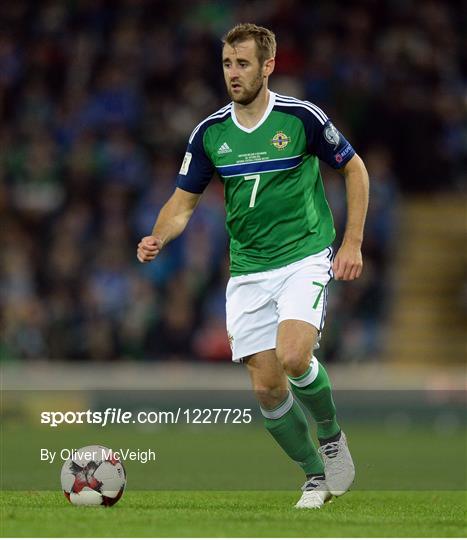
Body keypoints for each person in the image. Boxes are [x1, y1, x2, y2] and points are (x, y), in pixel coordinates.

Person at [137, 23, 369, 509]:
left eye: (243, 63)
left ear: (268, 66)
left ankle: (330, 437)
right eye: (227, 64)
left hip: (304, 255)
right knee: (267, 389)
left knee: (293, 357)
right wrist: (159, 236)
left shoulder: (301, 118)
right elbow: (182, 204)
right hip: (248, 270)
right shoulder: (210, 133)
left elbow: (354, 167)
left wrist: (351, 242)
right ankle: (314, 476)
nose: (233, 73)